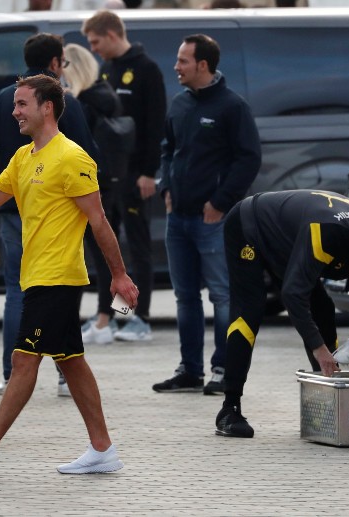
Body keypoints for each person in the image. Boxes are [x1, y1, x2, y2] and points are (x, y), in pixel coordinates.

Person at [0, 74, 138, 475]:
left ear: (47, 107)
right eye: (15, 104)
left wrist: (119, 275)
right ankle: (102, 449)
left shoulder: (73, 157)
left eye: (21, 104)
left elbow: (98, 220)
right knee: (72, 362)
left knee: (23, 359)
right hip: (36, 276)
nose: (14, 112)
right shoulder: (23, 156)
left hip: (58, 277)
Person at [0, 33, 99, 397]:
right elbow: (90, 154)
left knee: (18, 291)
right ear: (56, 62)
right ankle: (55, 375)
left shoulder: (2, 99)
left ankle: (12, 374)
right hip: (53, 212)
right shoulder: (60, 102)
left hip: (14, 210)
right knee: (52, 288)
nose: (18, 111)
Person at [215, 189, 349, 438]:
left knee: (323, 309)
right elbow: (293, 296)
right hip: (250, 227)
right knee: (249, 311)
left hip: (288, 241)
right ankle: (229, 408)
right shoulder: (327, 234)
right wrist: (319, 348)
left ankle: (329, 404)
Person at [152, 34, 261, 396]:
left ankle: (224, 369)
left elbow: (248, 159)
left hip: (213, 220)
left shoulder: (233, 107)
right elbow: (167, 149)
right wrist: (166, 188)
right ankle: (190, 370)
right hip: (178, 219)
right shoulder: (180, 103)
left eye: (183, 61)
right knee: (185, 297)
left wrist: (220, 202)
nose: (176, 67)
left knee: (222, 296)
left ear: (202, 65)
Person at [82, 9, 166, 342]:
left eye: (96, 42)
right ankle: (112, 315)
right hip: (108, 177)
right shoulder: (106, 69)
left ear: (112, 35)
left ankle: (138, 318)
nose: (93, 49)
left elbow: (155, 126)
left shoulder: (147, 70)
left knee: (138, 247)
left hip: (135, 176)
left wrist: (148, 172)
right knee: (110, 248)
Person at [63, 42, 125, 345]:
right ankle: (116, 315)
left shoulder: (81, 103)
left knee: (103, 258)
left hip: (91, 186)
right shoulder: (106, 96)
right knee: (113, 256)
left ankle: (105, 319)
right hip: (112, 181)